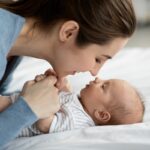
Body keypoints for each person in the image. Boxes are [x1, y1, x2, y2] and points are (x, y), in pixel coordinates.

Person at [0, 0, 136, 146]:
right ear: (68, 32)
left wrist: (36, 94)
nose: (95, 73)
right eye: (98, 59)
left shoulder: (12, 49)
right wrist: (28, 108)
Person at [0, 75, 144, 136]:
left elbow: (45, 125)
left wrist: (43, 95)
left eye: (103, 86)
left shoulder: (78, 120)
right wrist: (60, 83)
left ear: (101, 114)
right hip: (14, 102)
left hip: (11, 116)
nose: (98, 78)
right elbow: (67, 96)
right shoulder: (81, 102)